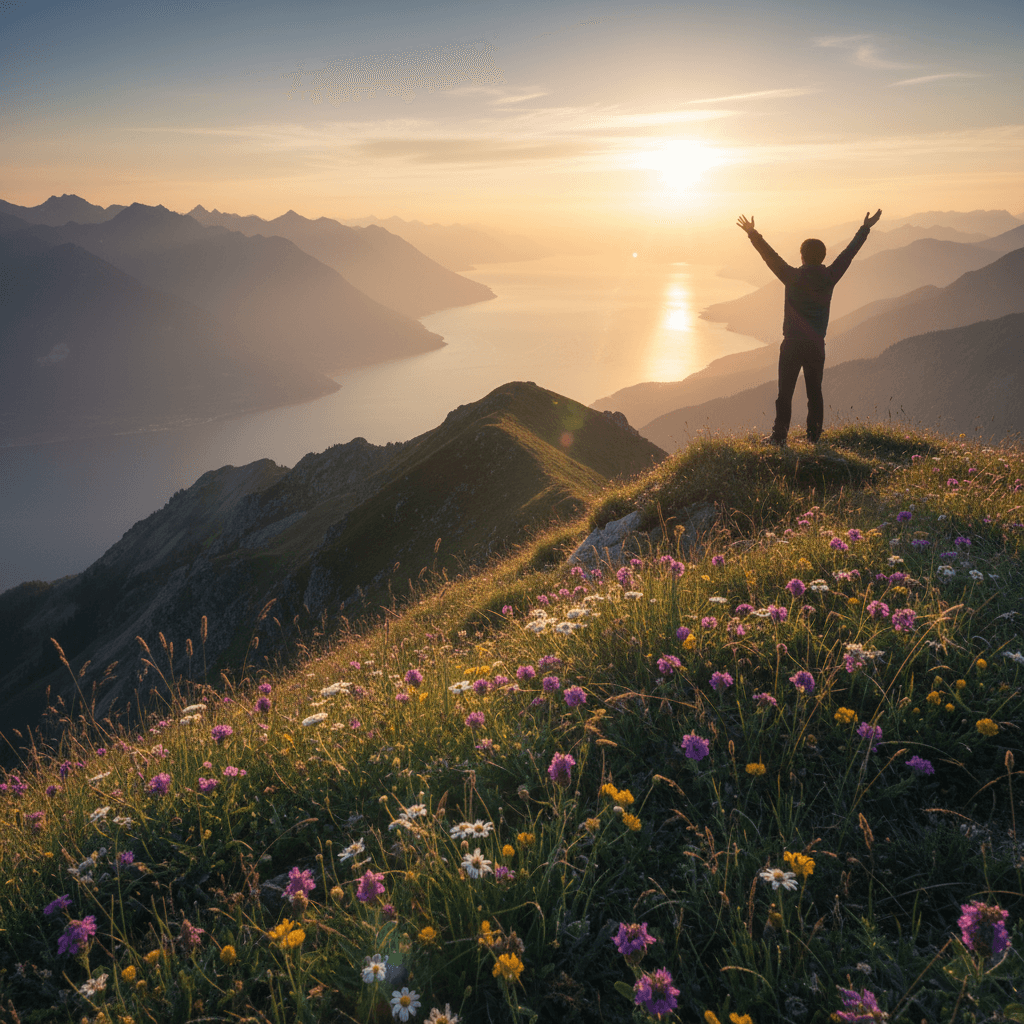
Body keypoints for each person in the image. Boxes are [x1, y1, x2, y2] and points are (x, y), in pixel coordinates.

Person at [736, 209, 881, 445]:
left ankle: (779, 436)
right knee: (815, 393)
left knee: (785, 393)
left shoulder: (791, 276)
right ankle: (813, 438)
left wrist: (753, 234)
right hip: (816, 345)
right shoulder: (829, 276)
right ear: (823, 257)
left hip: (792, 344)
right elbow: (849, 254)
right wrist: (865, 228)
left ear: (801, 256)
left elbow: (769, 256)